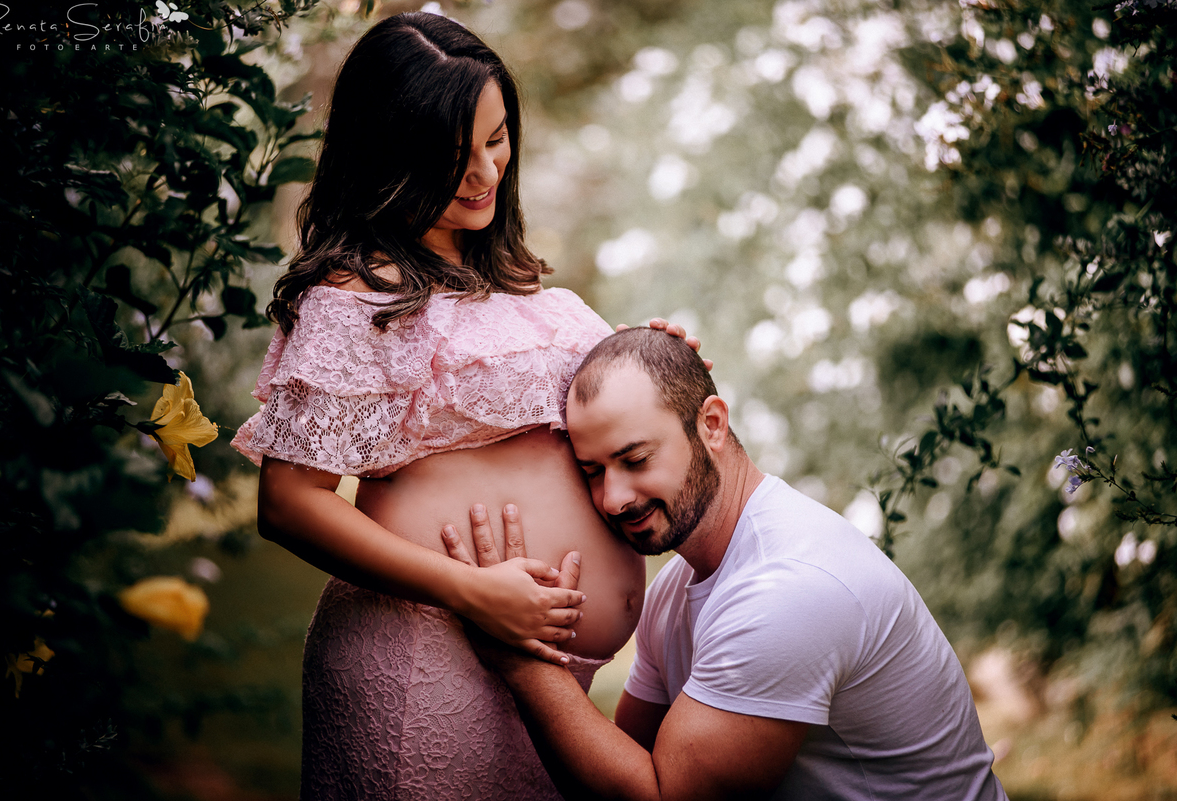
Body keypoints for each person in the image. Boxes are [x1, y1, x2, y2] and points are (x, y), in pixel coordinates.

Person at [230, 13, 697, 801]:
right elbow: (288, 503)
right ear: (389, 155)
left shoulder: (517, 282)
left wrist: (656, 373)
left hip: (547, 682)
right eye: (453, 157)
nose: (485, 173)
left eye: (497, 139)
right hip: (424, 658)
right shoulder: (359, 298)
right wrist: (472, 590)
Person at [445, 327, 1009, 800]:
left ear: (711, 424)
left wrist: (526, 664)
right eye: (593, 471)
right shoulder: (674, 591)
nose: (614, 498)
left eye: (635, 458)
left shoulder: (788, 589)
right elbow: (624, 766)